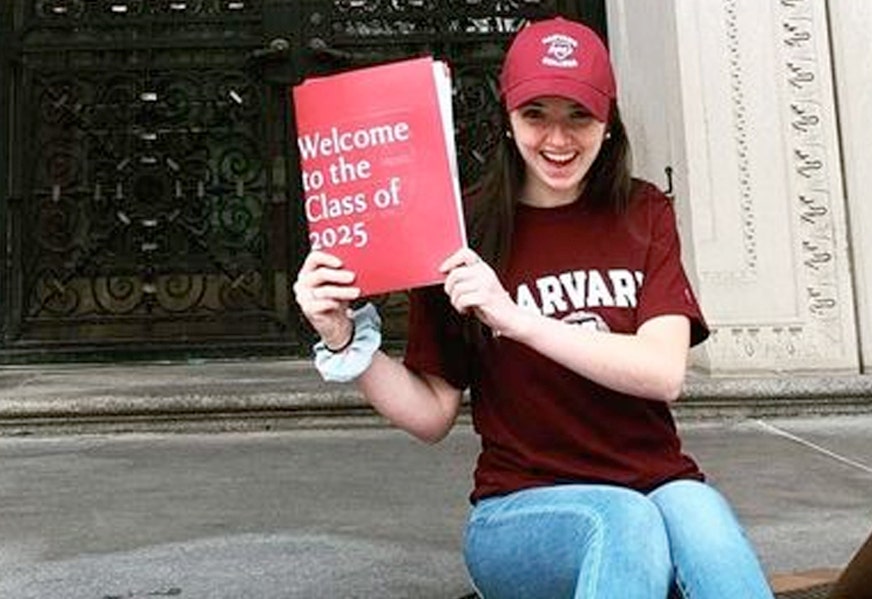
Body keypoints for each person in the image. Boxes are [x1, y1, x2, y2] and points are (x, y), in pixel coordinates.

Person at [293, 16, 774, 599]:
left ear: (609, 123)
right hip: (520, 509)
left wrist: (516, 318)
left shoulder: (643, 211)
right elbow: (431, 413)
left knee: (705, 524)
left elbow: (663, 371)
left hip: (658, 482)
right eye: (535, 115)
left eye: (580, 116)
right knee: (623, 519)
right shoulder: (459, 232)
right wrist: (345, 339)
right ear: (507, 120)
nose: (558, 139)